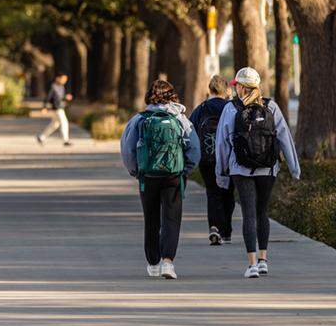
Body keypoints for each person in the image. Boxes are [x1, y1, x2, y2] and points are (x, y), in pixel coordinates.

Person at [215, 67, 300, 278]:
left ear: (242, 87)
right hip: (268, 169)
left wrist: (221, 173)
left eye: (237, 86)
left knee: (248, 214)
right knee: (263, 212)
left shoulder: (231, 109)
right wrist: (294, 168)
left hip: (240, 170)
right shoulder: (271, 107)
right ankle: (263, 260)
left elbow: (222, 144)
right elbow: (284, 138)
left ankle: (251, 264)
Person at [121, 79, 200, 280]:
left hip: (147, 176)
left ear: (150, 96)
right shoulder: (180, 119)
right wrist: (185, 170)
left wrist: (136, 171)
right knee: (172, 219)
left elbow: (128, 149)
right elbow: (194, 149)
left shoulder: (139, 119)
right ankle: (168, 261)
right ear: (172, 95)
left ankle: (153, 262)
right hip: (173, 175)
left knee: (151, 219)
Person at [189, 74, 235, 245]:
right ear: (226, 90)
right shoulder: (231, 107)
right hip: (228, 158)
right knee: (228, 193)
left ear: (210, 90)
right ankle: (227, 231)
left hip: (206, 158)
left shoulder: (201, 108)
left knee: (212, 193)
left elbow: (190, 130)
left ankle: (214, 227)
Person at [36, 73, 73, 147]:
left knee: (54, 125)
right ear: (57, 78)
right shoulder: (53, 87)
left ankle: (41, 137)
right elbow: (48, 98)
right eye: (63, 79)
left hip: (61, 107)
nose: (64, 81)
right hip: (56, 108)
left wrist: (66, 97)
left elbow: (60, 98)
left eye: (65, 79)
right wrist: (45, 107)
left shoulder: (61, 87)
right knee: (64, 122)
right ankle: (65, 140)